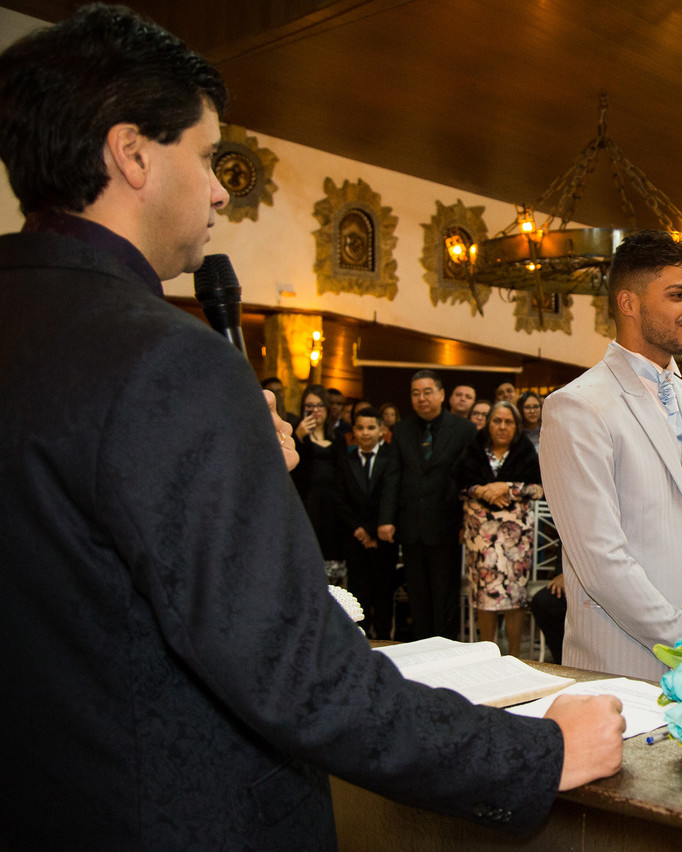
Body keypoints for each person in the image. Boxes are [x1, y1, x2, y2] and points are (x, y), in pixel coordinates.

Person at [0, 7, 624, 848]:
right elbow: (295, 671)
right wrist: (536, 753)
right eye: (209, 156)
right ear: (133, 152)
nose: (221, 188)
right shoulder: (164, 361)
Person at [541, 230, 682, 679]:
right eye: (678, 295)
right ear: (629, 304)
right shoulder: (578, 407)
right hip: (624, 662)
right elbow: (601, 561)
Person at [387, 369, 477, 639]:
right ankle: (421, 645)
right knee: (418, 595)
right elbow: (393, 476)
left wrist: (465, 522)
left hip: (447, 524)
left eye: (427, 392)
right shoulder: (401, 430)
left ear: (441, 394)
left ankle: (447, 647)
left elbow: (468, 477)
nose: (422, 398)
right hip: (411, 524)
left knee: (444, 593)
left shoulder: (464, 430)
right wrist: (386, 519)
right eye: (416, 393)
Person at [453, 401, 543, 654]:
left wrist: (507, 488)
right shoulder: (473, 450)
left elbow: (539, 489)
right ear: (488, 424)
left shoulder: (526, 451)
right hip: (481, 538)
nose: (502, 426)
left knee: (514, 598)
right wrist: (481, 490)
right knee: (485, 596)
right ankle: (487, 655)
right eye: (497, 421)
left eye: (509, 422)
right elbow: (458, 483)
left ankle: (514, 656)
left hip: (515, 541)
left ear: (517, 427)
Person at [335, 407, 401, 639]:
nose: (365, 433)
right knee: (359, 592)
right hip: (355, 539)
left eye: (371, 428)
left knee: (383, 593)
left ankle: (385, 640)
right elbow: (340, 500)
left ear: (381, 430)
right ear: (353, 430)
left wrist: (373, 530)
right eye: (360, 427)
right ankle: (361, 641)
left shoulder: (391, 458)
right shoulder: (345, 460)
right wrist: (359, 530)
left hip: (383, 540)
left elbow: (391, 497)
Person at [292, 384, 347, 584]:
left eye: (319, 405)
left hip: (333, 508)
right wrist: (298, 438)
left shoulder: (338, 439)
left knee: (332, 567)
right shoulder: (297, 436)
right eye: (310, 406)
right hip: (308, 505)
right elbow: (294, 473)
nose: (315, 411)